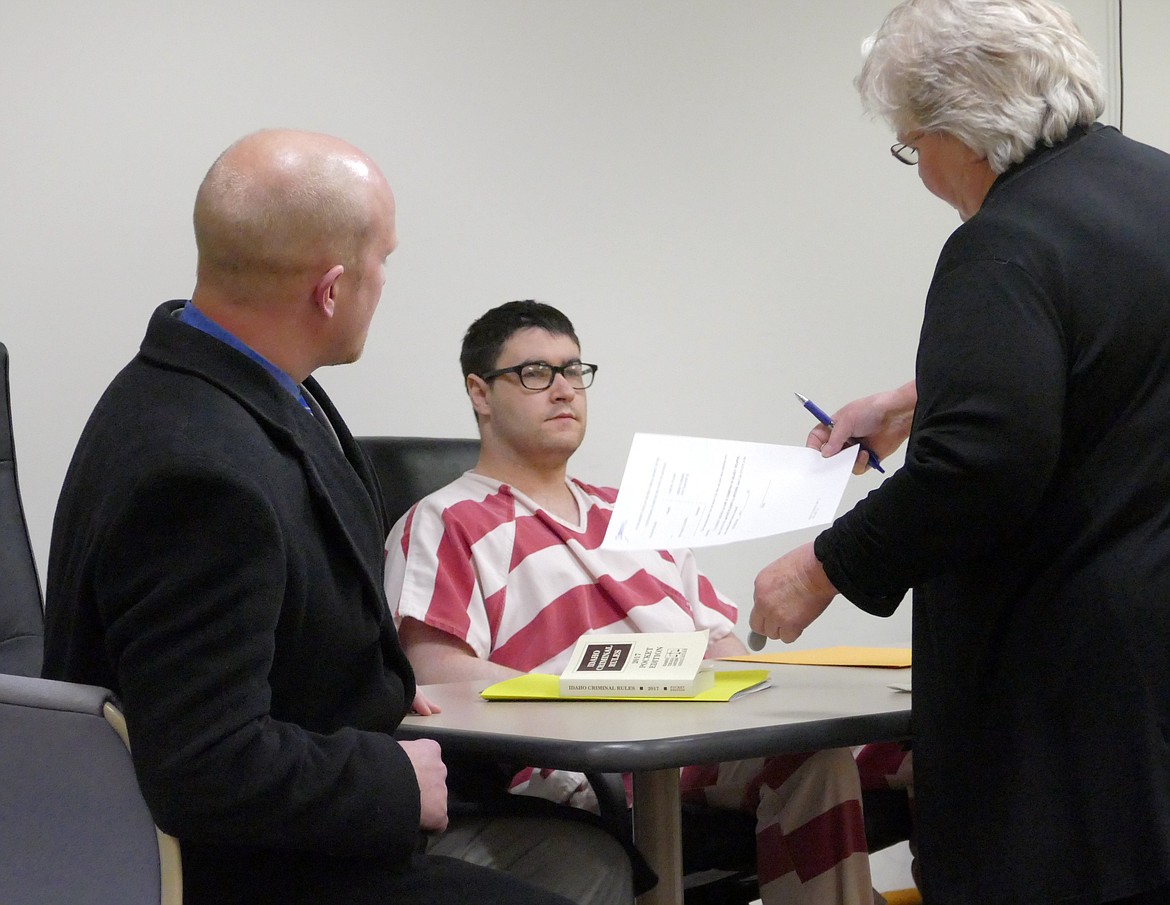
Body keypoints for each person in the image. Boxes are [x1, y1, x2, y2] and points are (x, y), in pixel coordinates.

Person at [39, 130, 615, 905]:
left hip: (302, 830)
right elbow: (202, 764)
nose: (386, 280)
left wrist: (372, 683)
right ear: (332, 289)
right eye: (384, 259)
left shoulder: (222, 387)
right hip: (250, 872)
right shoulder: (201, 472)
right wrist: (392, 777)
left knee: (592, 859)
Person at [749, 2, 1170, 903]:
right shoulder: (1154, 190)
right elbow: (1117, 352)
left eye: (913, 146)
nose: (925, 174)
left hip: (1066, 712)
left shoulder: (1003, 241)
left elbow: (978, 468)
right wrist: (913, 399)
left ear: (963, 129)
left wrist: (821, 567)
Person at [385, 299, 884, 905]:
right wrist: (583, 700)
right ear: (480, 393)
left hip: (688, 746)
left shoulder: (637, 511)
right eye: (536, 373)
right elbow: (436, 675)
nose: (564, 390)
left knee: (820, 758)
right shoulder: (446, 520)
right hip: (568, 763)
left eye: (574, 371)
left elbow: (721, 647)